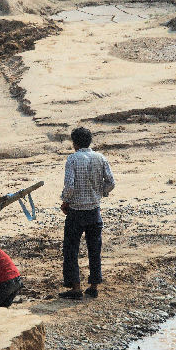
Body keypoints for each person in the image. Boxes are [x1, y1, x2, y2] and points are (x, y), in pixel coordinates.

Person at [59, 127, 115, 300]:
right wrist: (100, 194)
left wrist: (65, 201)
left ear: (75, 143)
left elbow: (69, 186)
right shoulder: (100, 158)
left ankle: (75, 287)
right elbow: (111, 182)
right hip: (94, 210)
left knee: (71, 249)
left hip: (76, 211)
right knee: (94, 249)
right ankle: (93, 285)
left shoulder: (73, 159)